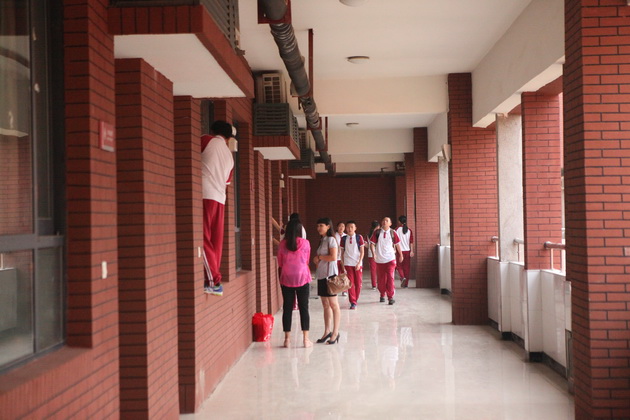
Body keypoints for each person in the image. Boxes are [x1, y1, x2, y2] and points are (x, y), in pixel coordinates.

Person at [201, 120, 235, 296]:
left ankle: (213, 280)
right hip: (220, 199)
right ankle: (214, 278)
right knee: (215, 241)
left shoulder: (205, 140)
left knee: (202, 237)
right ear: (228, 138)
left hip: (205, 194)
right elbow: (227, 181)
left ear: (212, 131)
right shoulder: (230, 156)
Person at [277, 219, 313, 348]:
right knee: (304, 308)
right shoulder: (305, 243)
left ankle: (287, 339)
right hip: (302, 277)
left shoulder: (282, 244)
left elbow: (280, 263)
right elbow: (307, 260)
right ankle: (305, 339)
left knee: (287, 308)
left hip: (287, 278)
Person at [313, 218, 341, 344]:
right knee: (325, 304)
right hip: (321, 275)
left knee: (333, 304)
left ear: (328, 226)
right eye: (318, 226)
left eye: (321, 225)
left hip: (330, 276)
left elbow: (333, 257)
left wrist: (319, 257)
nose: (319, 228)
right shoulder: (322, 240)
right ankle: (327, 331)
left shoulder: (331, 240)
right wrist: (317, 259)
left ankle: (335, 332)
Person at [370, 217, 403, 305]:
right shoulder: (377, 232)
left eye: (387, 221)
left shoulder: (393, 232)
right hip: (380, 260)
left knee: (390, 278)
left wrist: (401, 255)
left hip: (390, 259)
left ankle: (390, 297)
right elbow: (372, 244)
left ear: (390, 223)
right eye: (383, 220)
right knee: (381, 279)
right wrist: (374, 253)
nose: (385, 222)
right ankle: (382, 294)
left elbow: (397, 244)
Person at [340, 221, 365, 310]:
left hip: (357, 264)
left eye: (351, 227)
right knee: (350, 283)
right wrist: (343, 264)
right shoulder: (343, 239)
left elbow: (362, 251)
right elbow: (342, 253)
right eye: (348, 227)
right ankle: (353, 302)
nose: (349, 229)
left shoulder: (359, 237)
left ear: (355, 228)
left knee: (358, 284)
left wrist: (359, 262)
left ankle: (355, 299)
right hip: (348, 263)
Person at [395, 215, 414, 288]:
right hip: (407, 251)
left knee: (399, 266)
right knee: (407, 268)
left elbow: (394, 241)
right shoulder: (409, 230)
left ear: (399, 222)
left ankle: (402, 277)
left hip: (399, 251)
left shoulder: (396, 230)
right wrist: (412, 251)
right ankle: (406, 284)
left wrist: (394, 249)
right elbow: (411, 242)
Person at [334, 222, 347, 295]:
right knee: (336, 273)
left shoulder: (346, 236)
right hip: (336, 258)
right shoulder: (334, 236)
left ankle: (344, 290)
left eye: (343, 226)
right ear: (337, 227)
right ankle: (336, 288)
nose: (341, 228)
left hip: (344, 258)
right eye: (340, 226)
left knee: (344, 273)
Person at [367, 220, 380, 290]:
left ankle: (374, 285)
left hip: (371, 254)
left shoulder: (369, 234)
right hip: (379, 253)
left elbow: (366, 244)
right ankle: (379, 283)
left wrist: (369, 246)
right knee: (380, 269)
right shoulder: (379, 233)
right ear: (378, 226)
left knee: (373, 270)